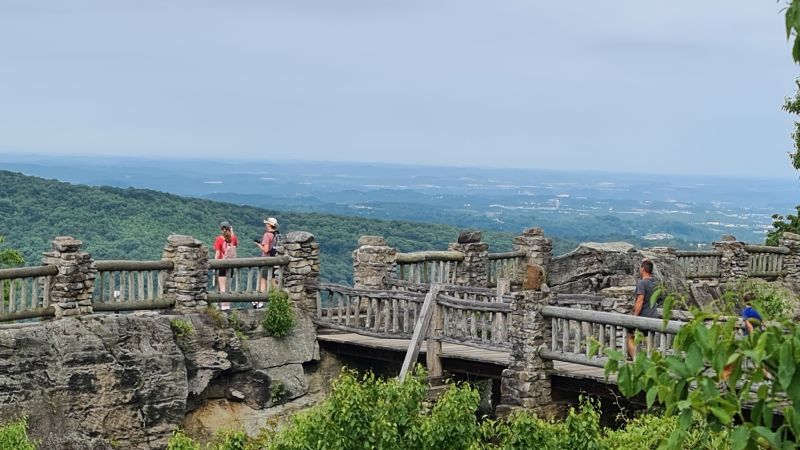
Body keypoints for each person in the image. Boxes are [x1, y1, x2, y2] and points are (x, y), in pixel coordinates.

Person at [627, 259, 659, 359]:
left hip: (643, 317)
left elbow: (640, 300)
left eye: (640, 268)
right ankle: (651, 360)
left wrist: (635, 317)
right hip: (653, 317)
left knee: (630, 337)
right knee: (648, 340)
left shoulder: (642, 283)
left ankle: (635, 361)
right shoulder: (655, 283)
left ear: (643, 269)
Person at [254, 217, 279, 306]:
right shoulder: (276, 234)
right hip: (274, 261)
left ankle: (260, 302)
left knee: (263, 280)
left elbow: (266, 250)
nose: (265, 225)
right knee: (273, 281)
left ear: (269, 225)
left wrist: (258, 245)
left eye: (266, 223)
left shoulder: (267, 235)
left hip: (266, 260)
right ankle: (277, 301)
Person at [213, 221, 238, 310]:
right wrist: (232, 232)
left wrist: (214, 264)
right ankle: (227, 306)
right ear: (229, 228)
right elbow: (234, 246)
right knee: (228, 287)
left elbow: (217, 253)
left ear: (221, 229)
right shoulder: (234, 238)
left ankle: (223, 306)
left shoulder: (218, 239)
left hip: (221, 265)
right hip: (230, 265)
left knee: (222, 287)